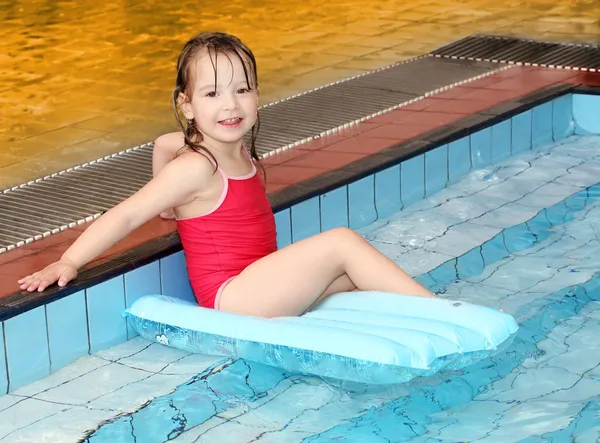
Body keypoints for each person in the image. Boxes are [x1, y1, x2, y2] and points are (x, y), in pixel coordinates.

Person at [18, 32, 436, 318]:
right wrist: (68, 260)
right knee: (342, 243)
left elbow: (163, 143)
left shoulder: (222, 151)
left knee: (355, 276)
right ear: (187, 105)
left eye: (242, 89)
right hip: (233, 297)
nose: (230, 105)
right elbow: (127, 215)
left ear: (257, 95)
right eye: (212, 93)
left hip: (258, 283)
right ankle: (442, 313)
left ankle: (422, 317)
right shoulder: (197, 166)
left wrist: (175, 211)